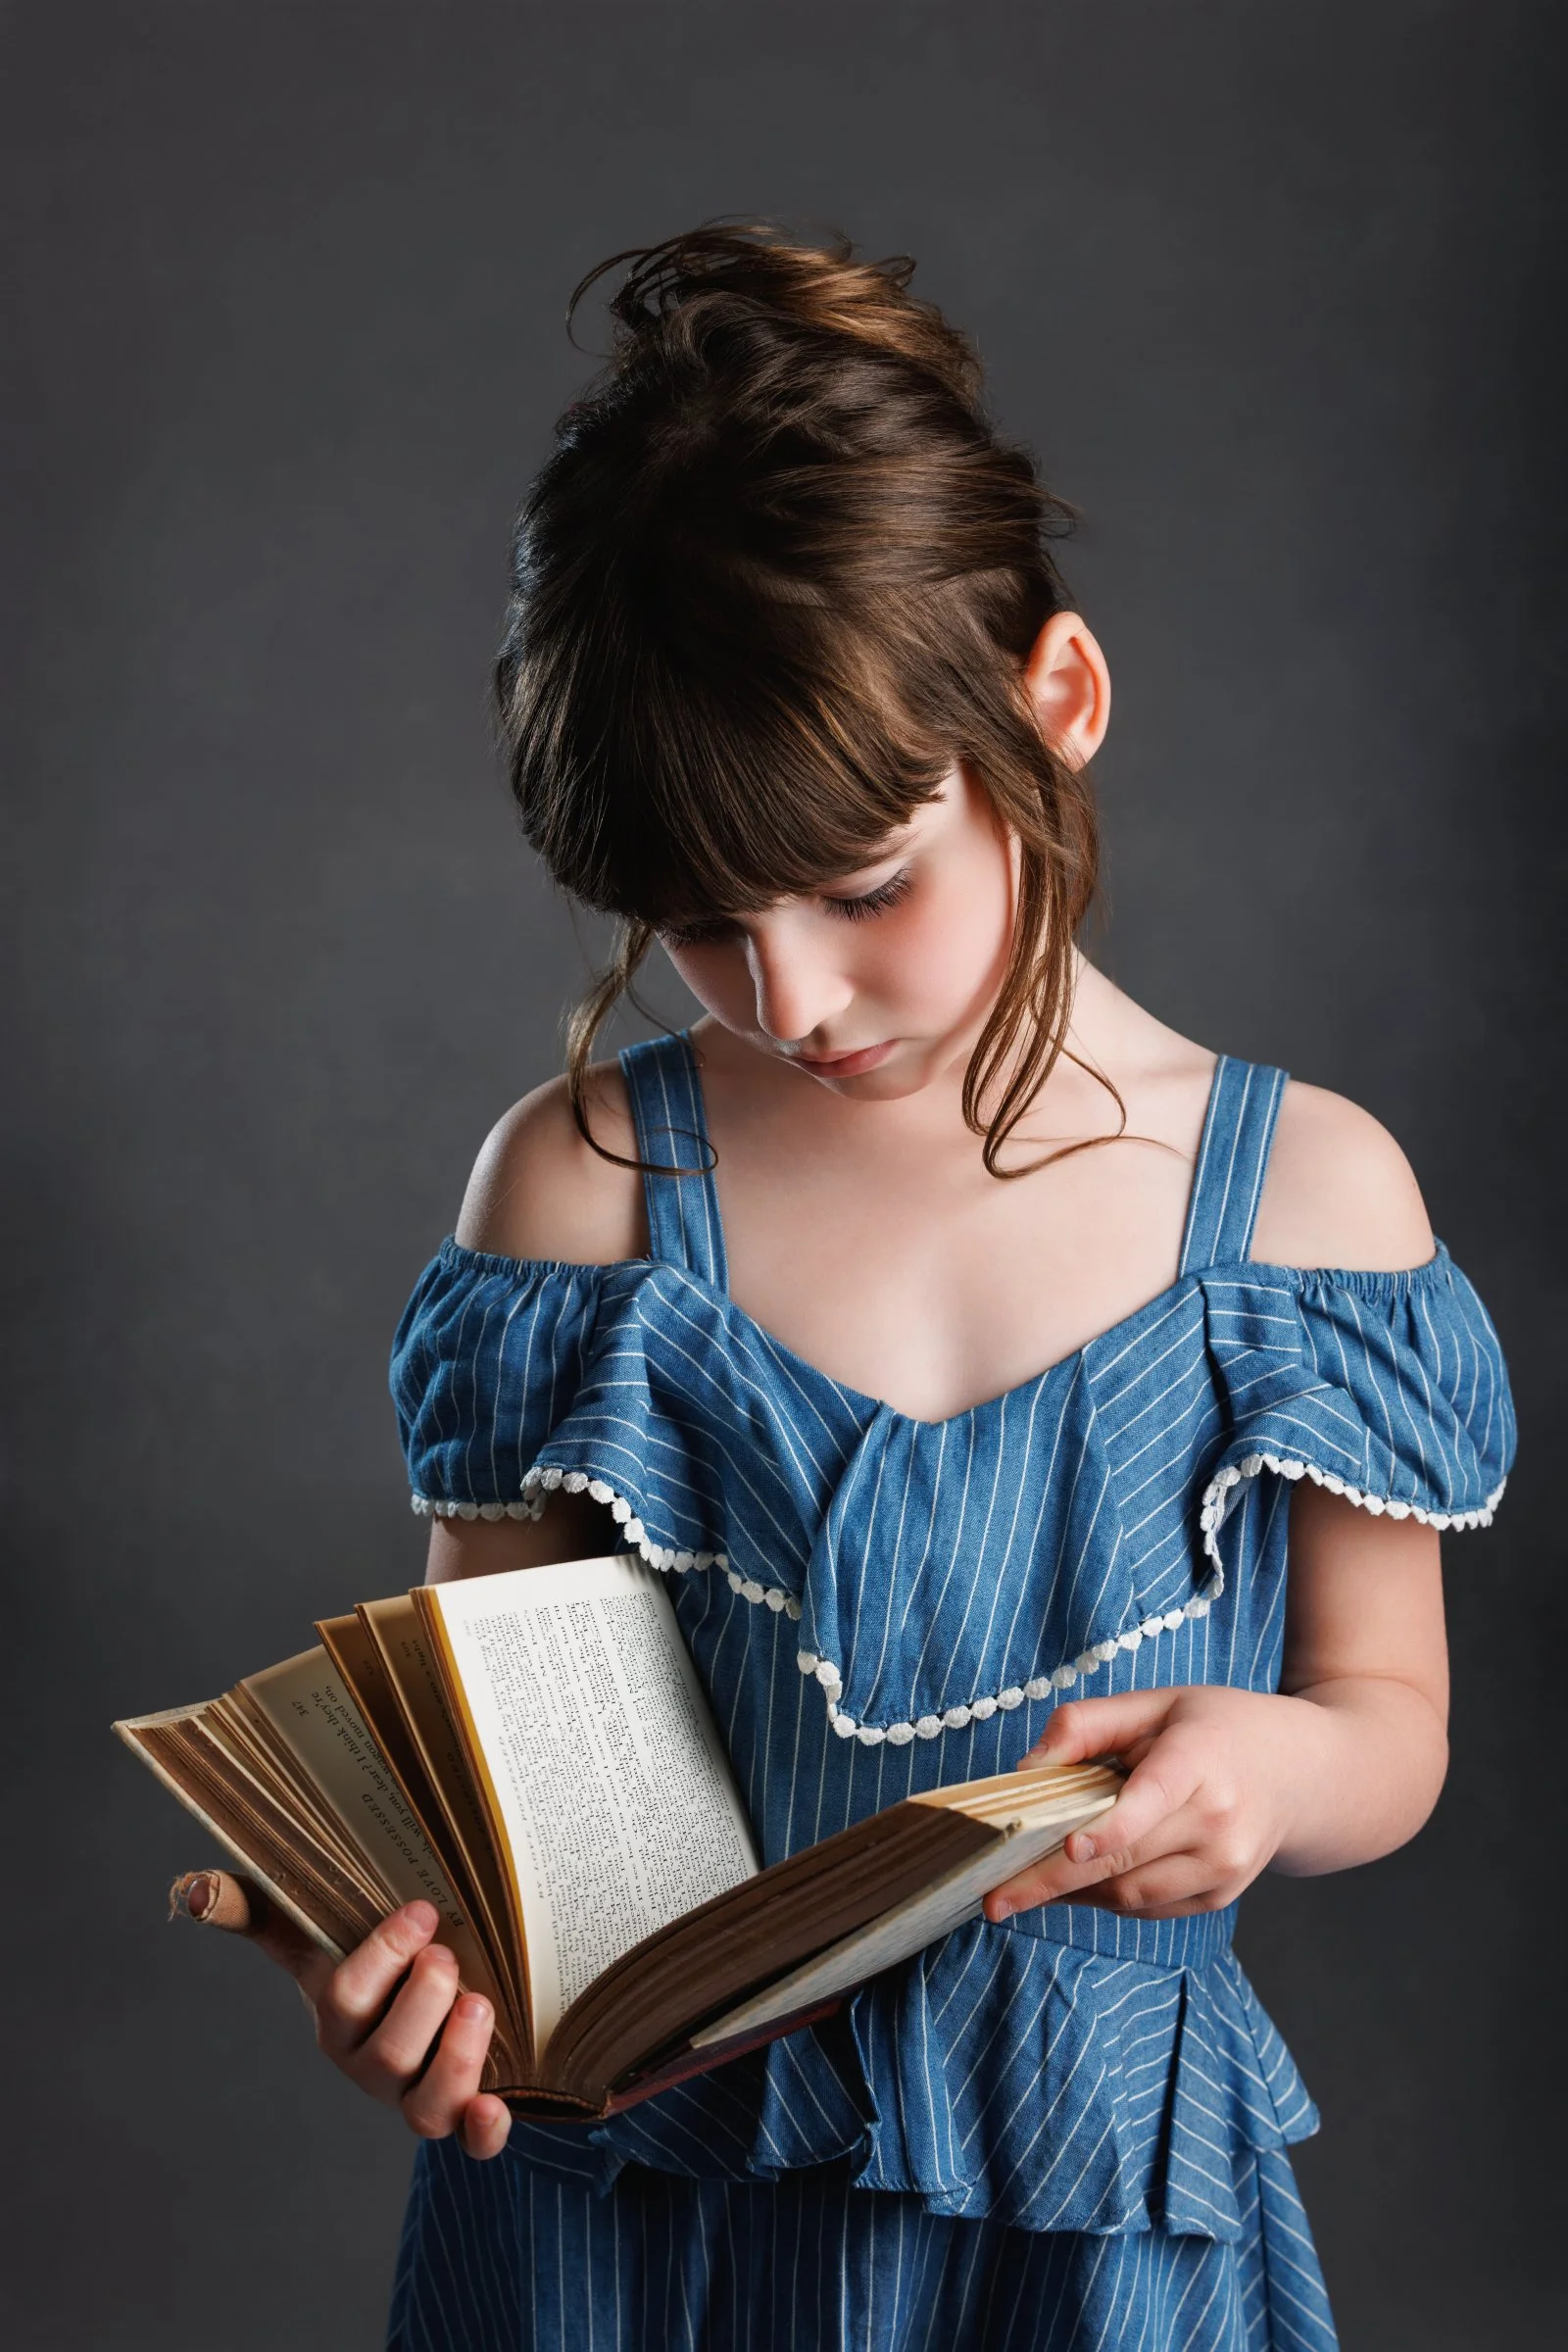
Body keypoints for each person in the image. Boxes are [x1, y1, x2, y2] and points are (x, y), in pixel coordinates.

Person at [248, 224, 1514, 2349]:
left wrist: (1277, 1776)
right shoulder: (582, 1191)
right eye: (698, 925)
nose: (792, 999)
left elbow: (1391, 1719)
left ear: (1057, 704)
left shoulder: (1304, 1200)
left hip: (1086, 2193)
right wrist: (407, 1971)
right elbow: (487, 1792)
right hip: (632, 2214)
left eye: (861, 887)